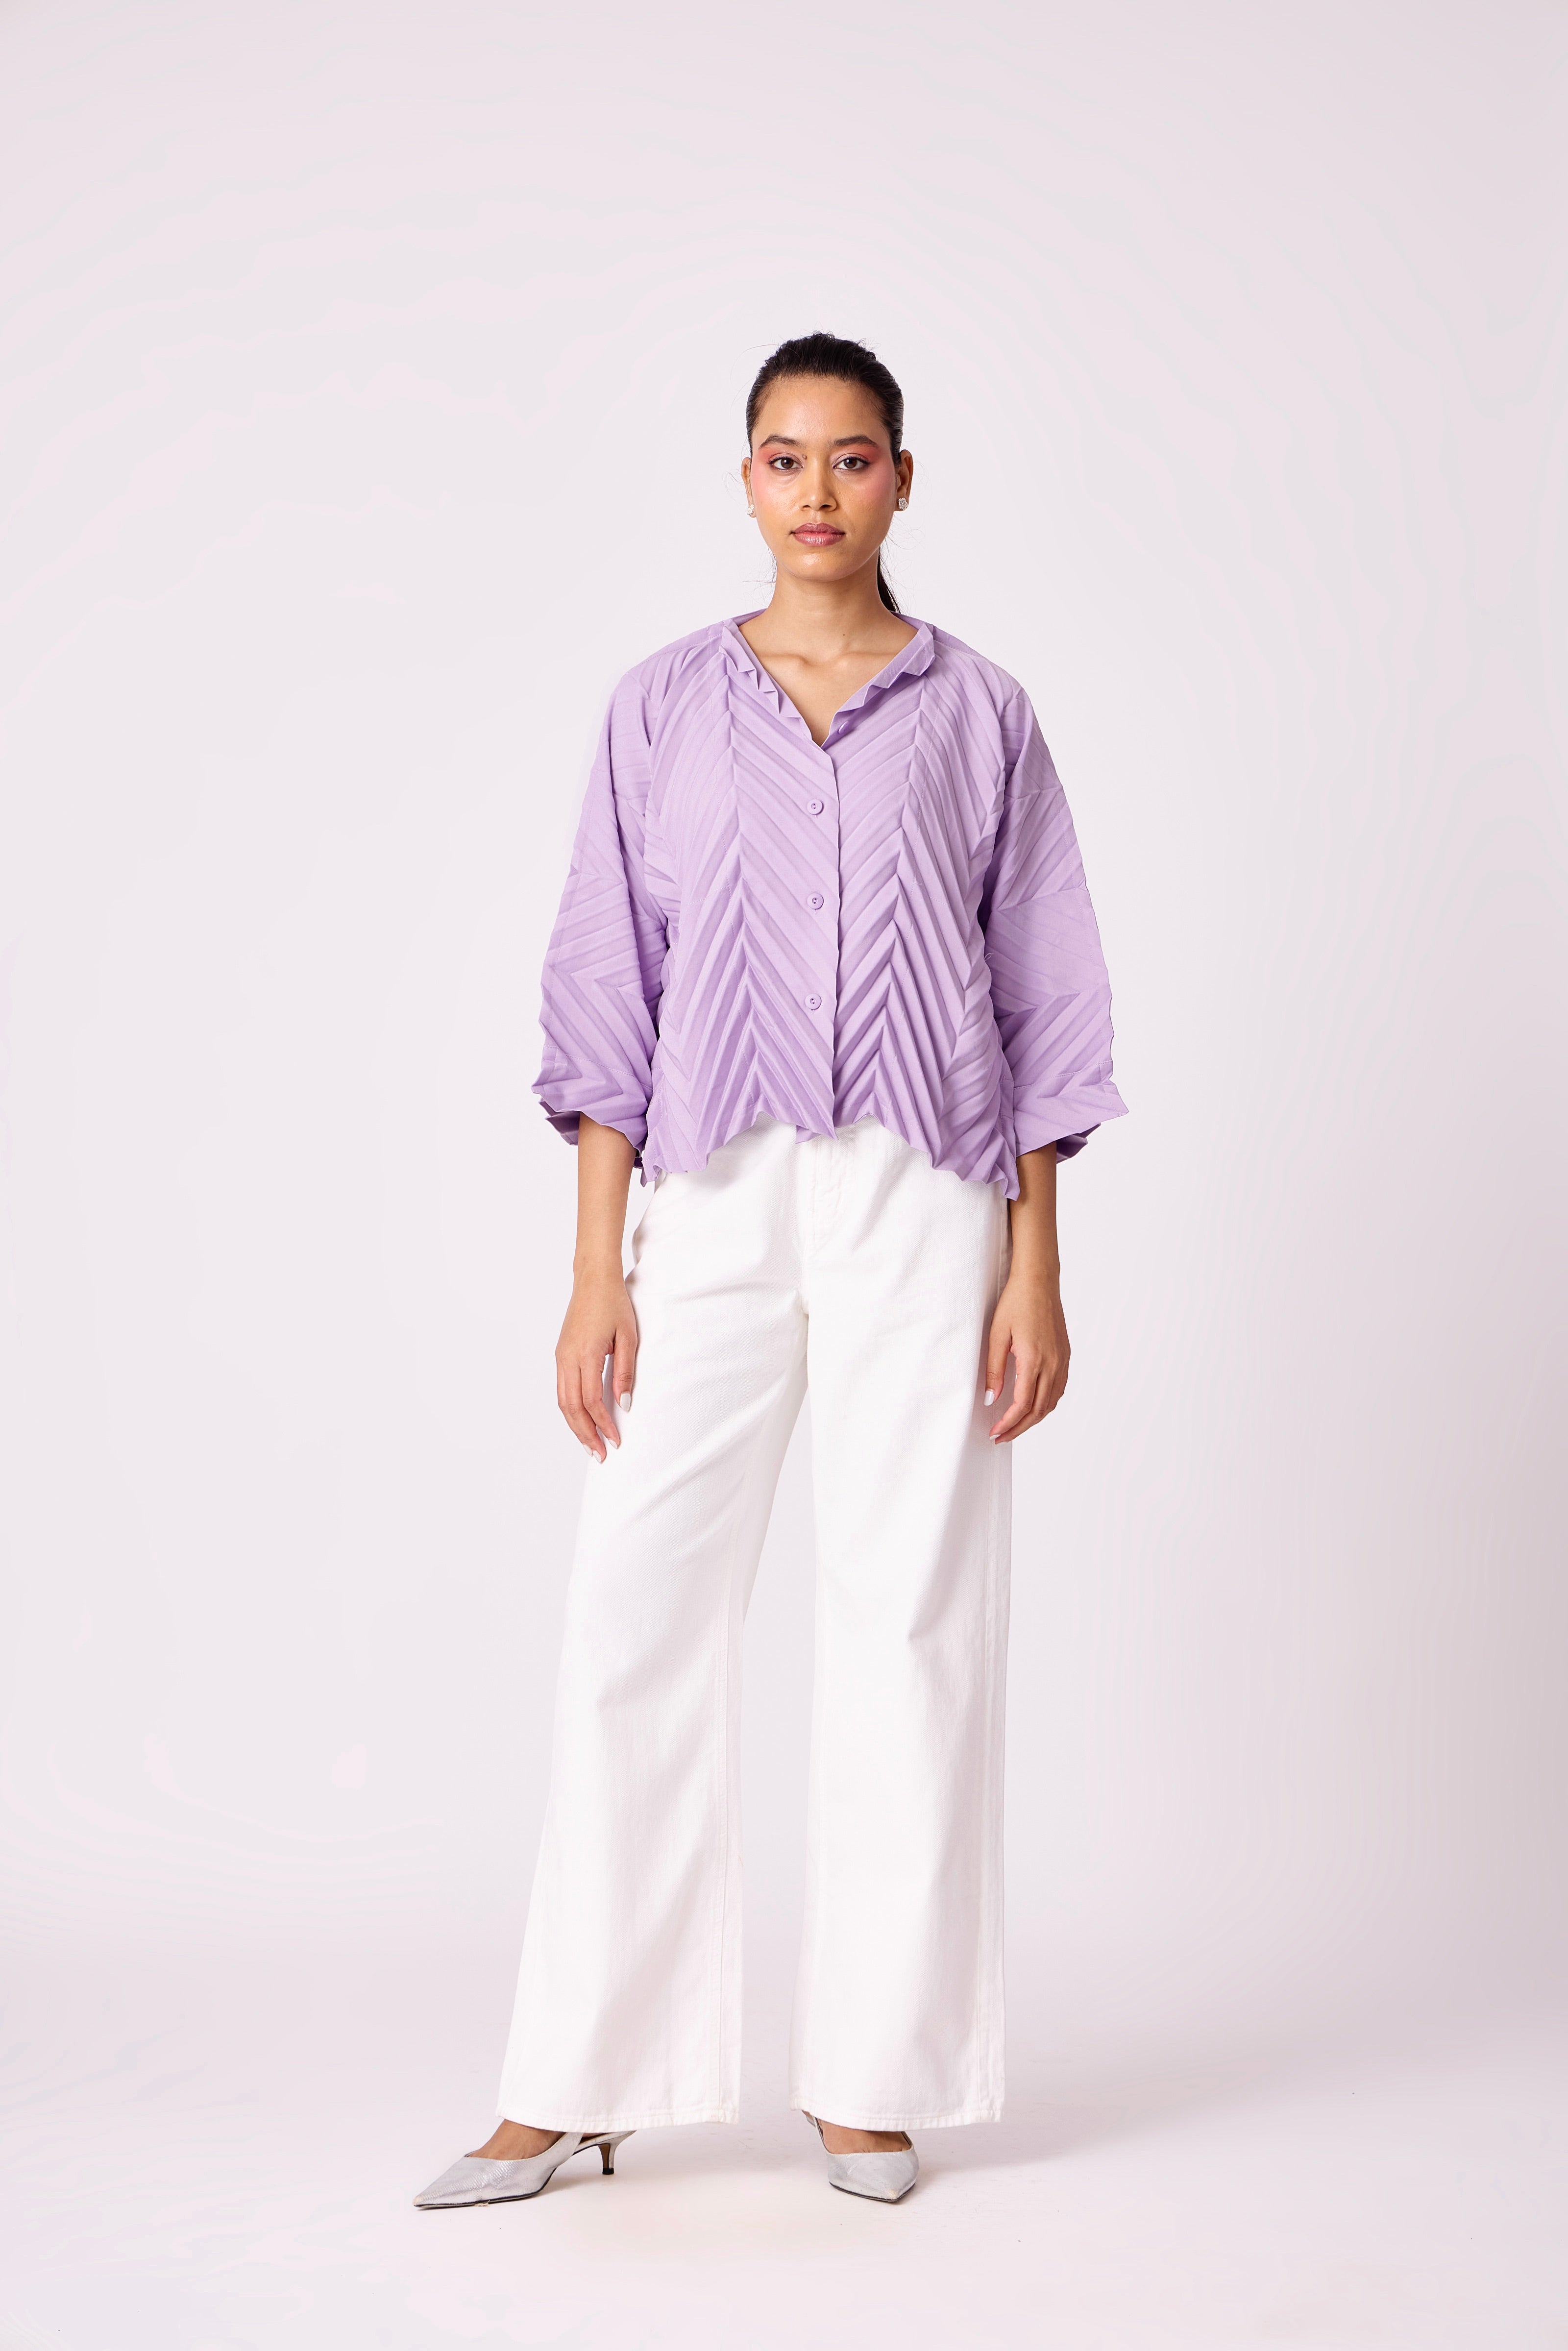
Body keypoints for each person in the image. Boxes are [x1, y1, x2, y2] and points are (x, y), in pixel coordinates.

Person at [415, 331, 1126, 2211]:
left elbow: (1047, 998)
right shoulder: (659, 708)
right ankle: (577, 2078)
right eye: (787, 457)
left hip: (928, 1193)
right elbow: (606, 982)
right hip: (711, 1197)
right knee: (633, 1614)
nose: (819, 491)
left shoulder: (984, 715)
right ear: (745, 479)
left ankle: (873, 2080)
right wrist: (598, 1269)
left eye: (853, 457)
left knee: (908, 1619)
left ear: (903, 479)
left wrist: (1036, 1266)